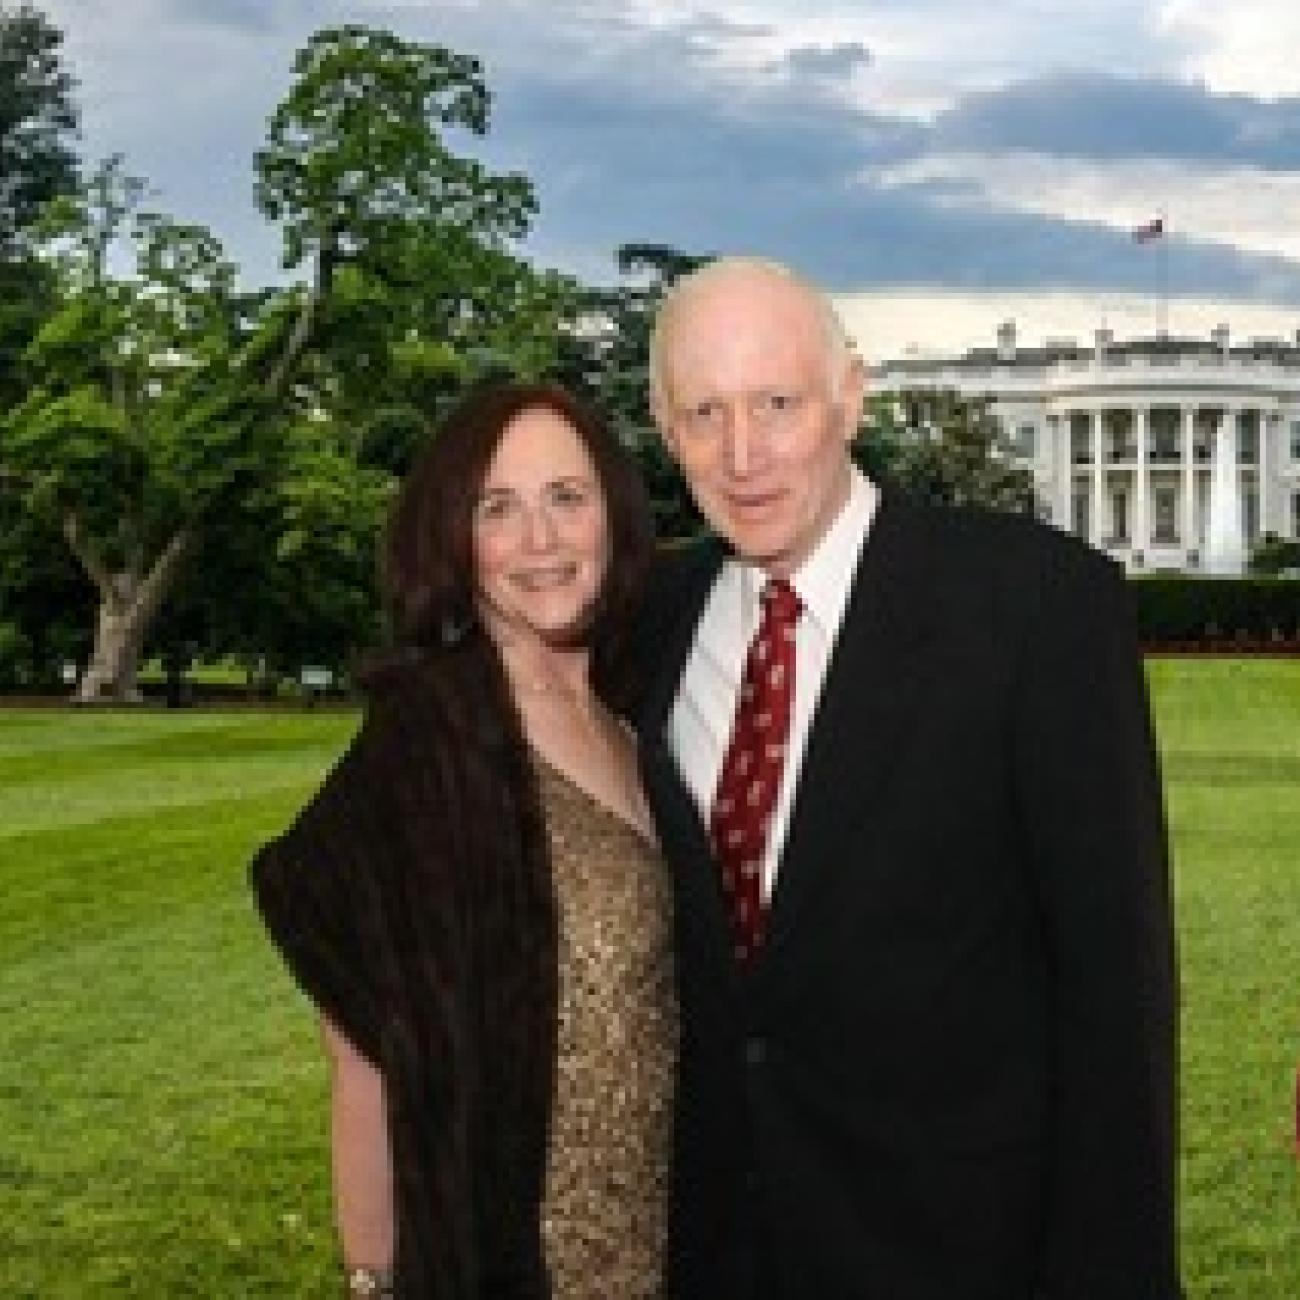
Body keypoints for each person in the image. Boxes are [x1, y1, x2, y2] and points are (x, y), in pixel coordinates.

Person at [637, 257, 1182, 1299]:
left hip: (959, 1250)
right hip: (719, 1252)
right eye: (704, 412)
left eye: (778, 403)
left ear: (851, 395)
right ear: (666, 429)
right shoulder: (655, 615)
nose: (742, 453)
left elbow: (1117, 996)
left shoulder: (1034, 607)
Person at [250, 382, 674, 1299]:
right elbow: (359, 1045)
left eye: (567, 497)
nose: (540, 541)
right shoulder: (426, 742)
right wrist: (375, 1279)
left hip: (678, 1250)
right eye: (498, 508)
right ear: (454, 536)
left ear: (614, 511)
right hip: (511, 1266)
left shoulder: (646, 714)